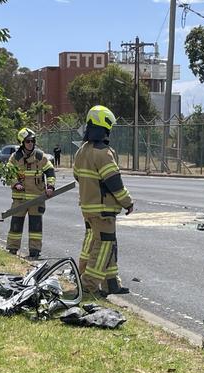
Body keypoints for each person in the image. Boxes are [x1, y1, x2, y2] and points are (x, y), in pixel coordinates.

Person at [73, 105, 133, 296]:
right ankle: (89, 286)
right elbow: (114, 182)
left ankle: (111, 283)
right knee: (103, 247)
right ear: (105, 126)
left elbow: (77, 176)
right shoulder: (103, 153)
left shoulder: (82, 151)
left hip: (88, 208)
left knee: (107, 244)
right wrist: (127, 202)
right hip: (103, 210)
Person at [5, 127, 56, 258]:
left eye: (32, 141)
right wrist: (15, 183)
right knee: (15, 225)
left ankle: (35, 251)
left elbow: (50, 171)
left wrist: (50, 186)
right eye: (28, 141)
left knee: (36, 227)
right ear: (22, 143)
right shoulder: (15, 158)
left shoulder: (40, 156)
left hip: (36, 199)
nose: (31, 143)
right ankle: (12, 249)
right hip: (19, 199)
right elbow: (9, 173)